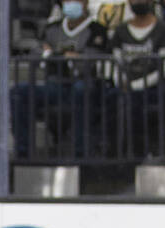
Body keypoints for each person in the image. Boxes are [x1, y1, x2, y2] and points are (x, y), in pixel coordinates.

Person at [9, 0, 110, 159]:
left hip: (83, 85)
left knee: (81, 90)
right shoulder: (52, 28)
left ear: (85, 2)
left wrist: (55, 55)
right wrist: (61, 56)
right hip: (55, 86)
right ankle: (23, 153)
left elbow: (89, 61)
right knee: (19, 92)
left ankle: (81, 154)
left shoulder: (97, 29)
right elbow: (36, 54)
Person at [108, 0, 165, 158]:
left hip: (153, 86)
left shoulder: (163, 30)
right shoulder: (120, 31)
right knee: (111, 97)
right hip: (124, 84)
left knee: (140, 100)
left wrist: (137, 85)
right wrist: (122, 81)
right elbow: (115, 62)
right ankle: (114, 153)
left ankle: (142, 151)